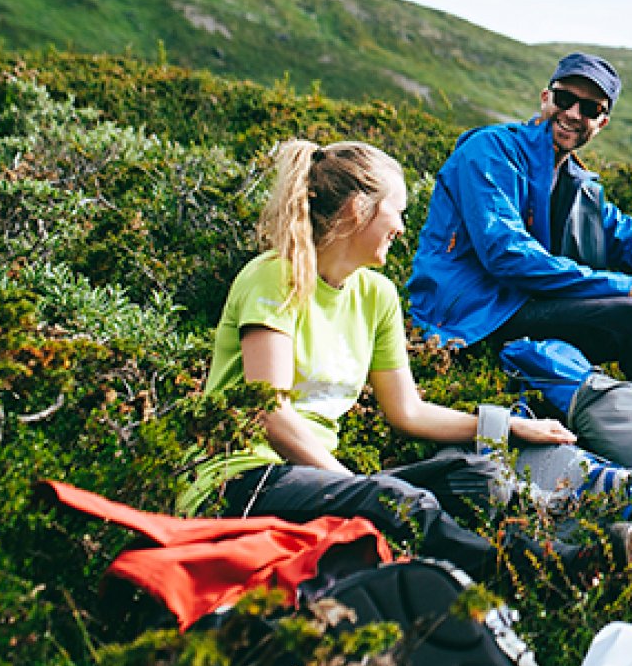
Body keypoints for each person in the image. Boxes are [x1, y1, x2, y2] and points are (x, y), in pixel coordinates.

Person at [177, 139, 603, 580]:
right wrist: (358, 486)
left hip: (318, 479)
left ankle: (568, 527)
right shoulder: (275, 277)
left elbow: (408, 412)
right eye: (395, 211)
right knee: (396, 502)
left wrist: (507, 425)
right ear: (358, 210)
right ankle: (539, 574)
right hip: (243, 481)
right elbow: (269, 411)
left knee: (476, 476)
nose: (401, 227)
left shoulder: (376, 295)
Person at [408, 53, 632, 414]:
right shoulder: (491, 150)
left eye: (590, 109)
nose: (574, 114)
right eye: (565, 99)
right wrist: (619, 285)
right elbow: (506, 254)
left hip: (522, 304)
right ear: (545, 97)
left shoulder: (577, 184)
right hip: (470, 316)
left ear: (602, 122)